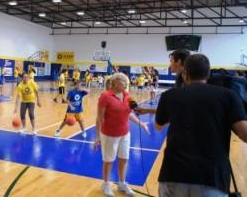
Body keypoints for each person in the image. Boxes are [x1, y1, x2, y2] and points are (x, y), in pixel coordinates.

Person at [150, 54, 247, 197]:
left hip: (172, 175)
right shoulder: (228, 95)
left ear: (185, 73)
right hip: (212, 179)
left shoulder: (169, 95)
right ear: (208, 74)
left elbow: (158, 126)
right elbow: (245, 134)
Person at [94, 73, 149, 197]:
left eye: (126, 81)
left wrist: (141, 124)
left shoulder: (127, 95)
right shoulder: (105, 96)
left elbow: (128, 113)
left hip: (125, 134)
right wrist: (97, 136)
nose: (126, 83)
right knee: (108, 161)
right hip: (109, 134)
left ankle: (122, 183)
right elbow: (99, 118)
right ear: (115, 83)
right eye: (123, 81)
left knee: (124, 159)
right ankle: (106, 185)